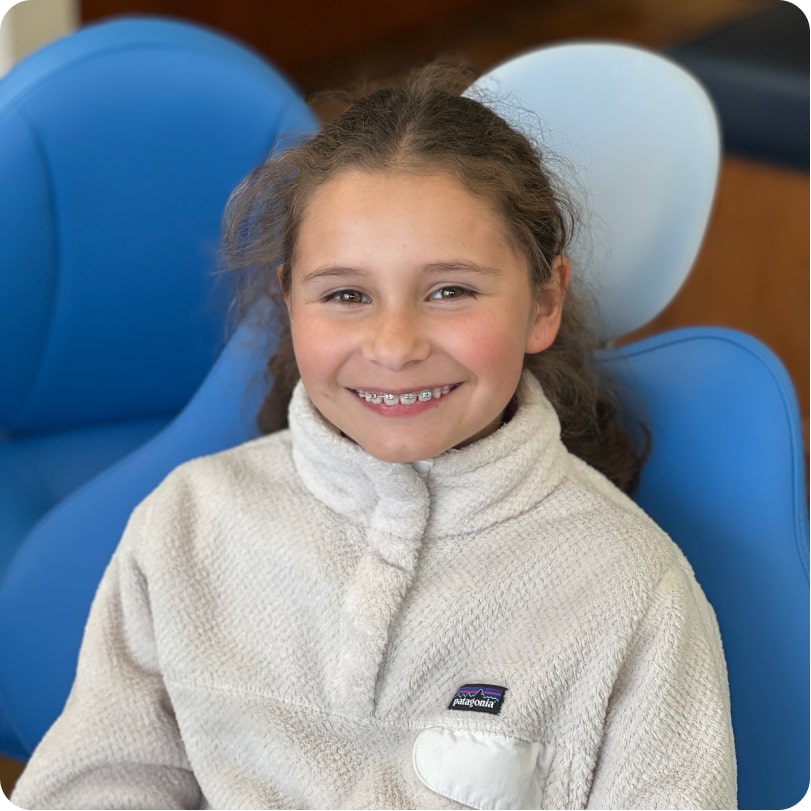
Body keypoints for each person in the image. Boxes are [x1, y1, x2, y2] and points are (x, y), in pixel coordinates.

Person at [11, 66, 736, 810]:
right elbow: (97, 784)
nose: (394, 346)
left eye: (450, 291)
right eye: (347, 294)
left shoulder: (632, 591)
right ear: (289, 302)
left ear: (544, 303)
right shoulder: (186, 525)